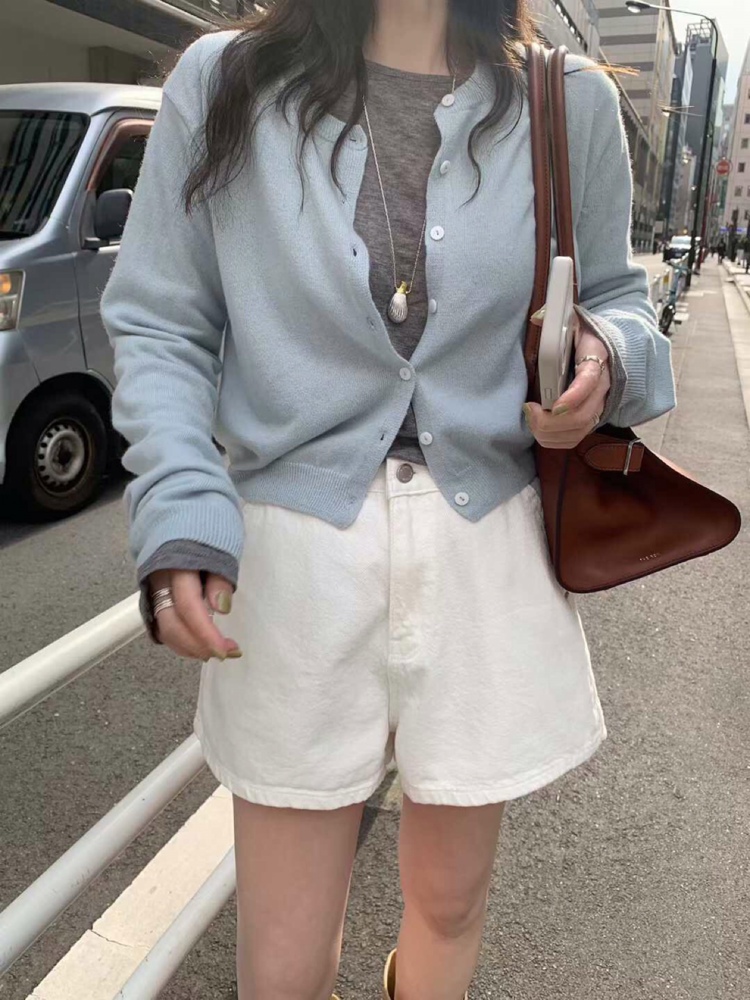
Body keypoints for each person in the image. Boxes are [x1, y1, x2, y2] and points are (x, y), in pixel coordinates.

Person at [100, 2, 676, 998]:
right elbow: (162, 322)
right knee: (283, 958)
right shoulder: (227, 83)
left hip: (485, 547)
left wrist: (605, 358)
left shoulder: (564, 100)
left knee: (450, 904)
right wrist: (181, 502)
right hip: (295, 561)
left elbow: (620, 301)